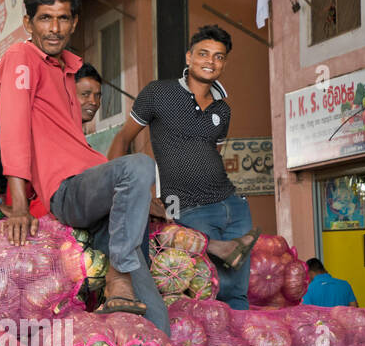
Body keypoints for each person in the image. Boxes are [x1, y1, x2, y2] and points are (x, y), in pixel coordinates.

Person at [0, 0, 167, 332]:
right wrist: (18, 205)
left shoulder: (70, 70)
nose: (54, 28)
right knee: (139, 165)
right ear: (28, 23)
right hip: (69, 191)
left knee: (151, 314)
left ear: (74, 22)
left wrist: (132, 195)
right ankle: (117, 276)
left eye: (62, 19)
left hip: (99, 195)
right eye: (45, 18)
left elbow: (76, 145)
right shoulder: (22, 57)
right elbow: (13, 128)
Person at [106, 25, 259, 310]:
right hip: (187, 208)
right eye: (203, 54)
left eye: (218, 57)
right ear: (189, 57)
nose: (210, 62)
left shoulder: (222, 110)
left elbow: (214, 154)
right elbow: (122, 139)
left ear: (224, 63)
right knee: (200, 293)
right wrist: (131, 193)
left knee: (236, 294)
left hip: (233, 207)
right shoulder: (158, 93)